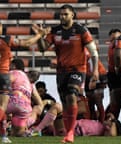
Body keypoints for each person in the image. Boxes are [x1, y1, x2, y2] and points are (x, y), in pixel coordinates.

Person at [37, 4, 99, 143]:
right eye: (61, 14)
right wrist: (41, 36)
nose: (63, 17)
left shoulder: (80, 30)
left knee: (71, 95)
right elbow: (42, 48)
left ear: (72, 15)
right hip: (61, 71)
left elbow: (94, 52)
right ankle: (67, 133)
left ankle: (70, 133)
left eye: (66, 14)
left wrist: (95, 71)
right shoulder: (55, 31)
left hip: (77, 70)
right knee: (65, 102)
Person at [29, 102, 119, 137]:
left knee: (57, 107)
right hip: (67, 126)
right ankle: (35, 130)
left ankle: (36, 130)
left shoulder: (105, 129)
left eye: (109, 120)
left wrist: (113, 121)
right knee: (48, 110)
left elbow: (112, 134)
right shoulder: (98, 123)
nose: (108, 119)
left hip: (69, 130)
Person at [105, 28, 121, 120]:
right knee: (116, 101)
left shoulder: (118, 46)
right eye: (112, 39)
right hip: (115, 75)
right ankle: (110, 121)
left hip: (119, 74)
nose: (115, 41)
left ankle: (111, 121)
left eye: (117, 38)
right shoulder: (114, 48)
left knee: (118, 101)